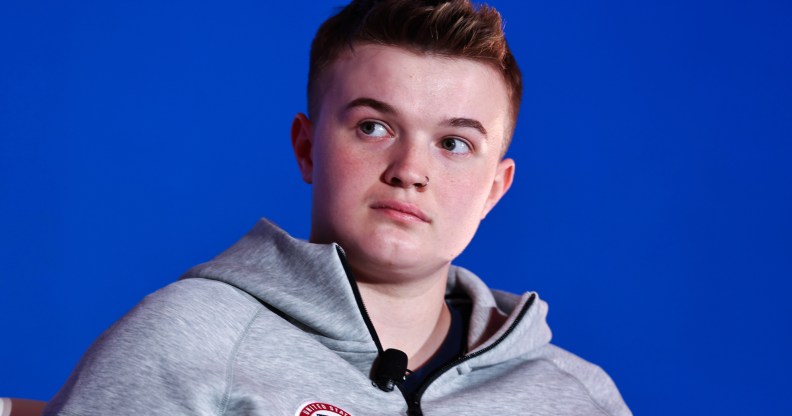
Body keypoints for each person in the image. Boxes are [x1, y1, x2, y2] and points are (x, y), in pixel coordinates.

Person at [45, 1, 631, 415]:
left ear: (494, 190)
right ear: (307, 148)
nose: (410, 170)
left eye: (454, 143)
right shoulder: (188, 338)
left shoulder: (580, 396)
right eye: (374, 127)